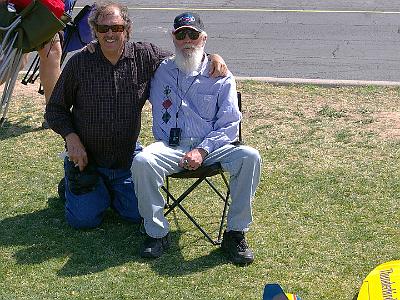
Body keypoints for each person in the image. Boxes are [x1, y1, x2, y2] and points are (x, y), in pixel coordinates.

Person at [44, 2, 228, 229]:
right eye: (103, 29)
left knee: (136, 215)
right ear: (95, 31)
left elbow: (184, 53)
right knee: (84, 221)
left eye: (117, 28)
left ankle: (105, 192)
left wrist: (212, 56)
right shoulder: (80, 63)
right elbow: (55, 109)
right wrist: (71, 139)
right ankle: (74, 186)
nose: (110, 34)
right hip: (88, 160)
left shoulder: (145, 56)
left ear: (127, 30)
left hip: (126, 159)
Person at [131, 12, 261, 265]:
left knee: (250, 156)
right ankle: (156, 233)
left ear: (204, 38)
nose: (187, 40)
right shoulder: (159, 70)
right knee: (142, 161)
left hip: (213, 147)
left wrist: (202, 150)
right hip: (171, 147)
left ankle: (235, 233)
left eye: (193, 34)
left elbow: (230, 124)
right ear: (173, 38)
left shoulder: (220, 74)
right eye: (181, 34)